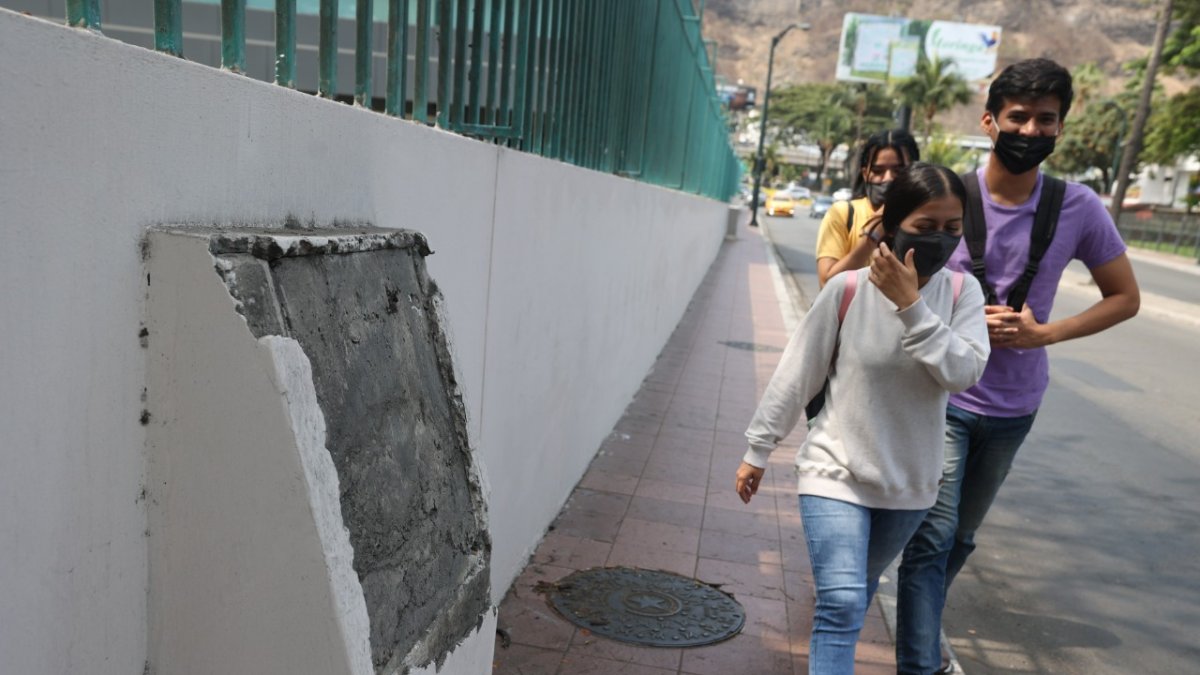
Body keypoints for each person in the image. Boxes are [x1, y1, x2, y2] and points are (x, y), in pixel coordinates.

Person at [894, 58, 1141, 675]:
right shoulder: (951, 198)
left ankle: (921, 628)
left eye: (1045, 120)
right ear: (990, 120)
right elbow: (892, 274)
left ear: (1061, 127)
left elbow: (1125, 297)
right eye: (1018, 117)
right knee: (931, 538)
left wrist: (1042, 335)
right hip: (942, 395)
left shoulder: (1079, 207)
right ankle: (920, 663)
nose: (1030, 131)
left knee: (961, 538)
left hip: (1015, 406)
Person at [735, 163, 991, 675]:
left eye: (952, 229)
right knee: (844, 604)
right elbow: (797, 374)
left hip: (910, 485)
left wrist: (911, 306)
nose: (940, 240)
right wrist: (757, 451)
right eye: (925, 227)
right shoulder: (848, 290)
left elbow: (961, 373)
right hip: (834, 471)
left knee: (857, 589)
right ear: (892, 224)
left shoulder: (964, 295)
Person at [816, 129, 922, 288]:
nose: (888, 178)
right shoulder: (843, 214)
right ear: (865, 173)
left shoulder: (926, 218)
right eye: (879, 171)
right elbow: (827, 283)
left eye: (899, 171)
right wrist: (873, 236)